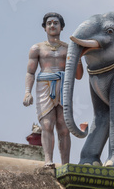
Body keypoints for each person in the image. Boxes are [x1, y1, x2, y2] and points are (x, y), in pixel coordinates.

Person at [23, 12, 83, 168]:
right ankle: (48, 160)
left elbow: (79, 75)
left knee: (64, 126)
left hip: (64, 85)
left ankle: (65, 164)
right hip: (45, 85)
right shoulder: (37, 48)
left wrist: (77, 57)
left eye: (55, 23)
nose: (52, 25)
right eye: (49, 23)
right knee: (47, 124)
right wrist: (27, 92)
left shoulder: (69, 48)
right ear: (44, 28)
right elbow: (30, 72)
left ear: (61, 27)